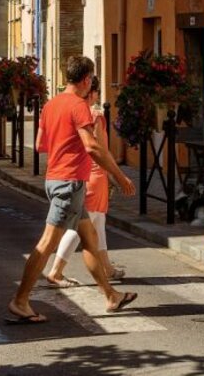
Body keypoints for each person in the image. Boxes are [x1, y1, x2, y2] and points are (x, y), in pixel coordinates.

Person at [7, 56, 137, 324]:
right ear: (87, 79)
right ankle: (20, 301)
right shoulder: (79, 106)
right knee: (46, 244)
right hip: (68, 183)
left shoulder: (51, 105)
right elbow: (91, 146)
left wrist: (64, 142)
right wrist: (119, 176)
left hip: (58, 179)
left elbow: (42, 144)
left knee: (89, 240)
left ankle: (110, 295)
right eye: (92, 79)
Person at [45, 76, 126, 286]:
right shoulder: (96, 116)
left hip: (78, 173)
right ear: (93, 93)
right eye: (96, 91)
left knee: (98, 222)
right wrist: (115, 175)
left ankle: (107, 268)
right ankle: (56, 270)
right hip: (95, 174)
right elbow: (100, 149)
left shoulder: (71, 111)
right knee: (81, 227)